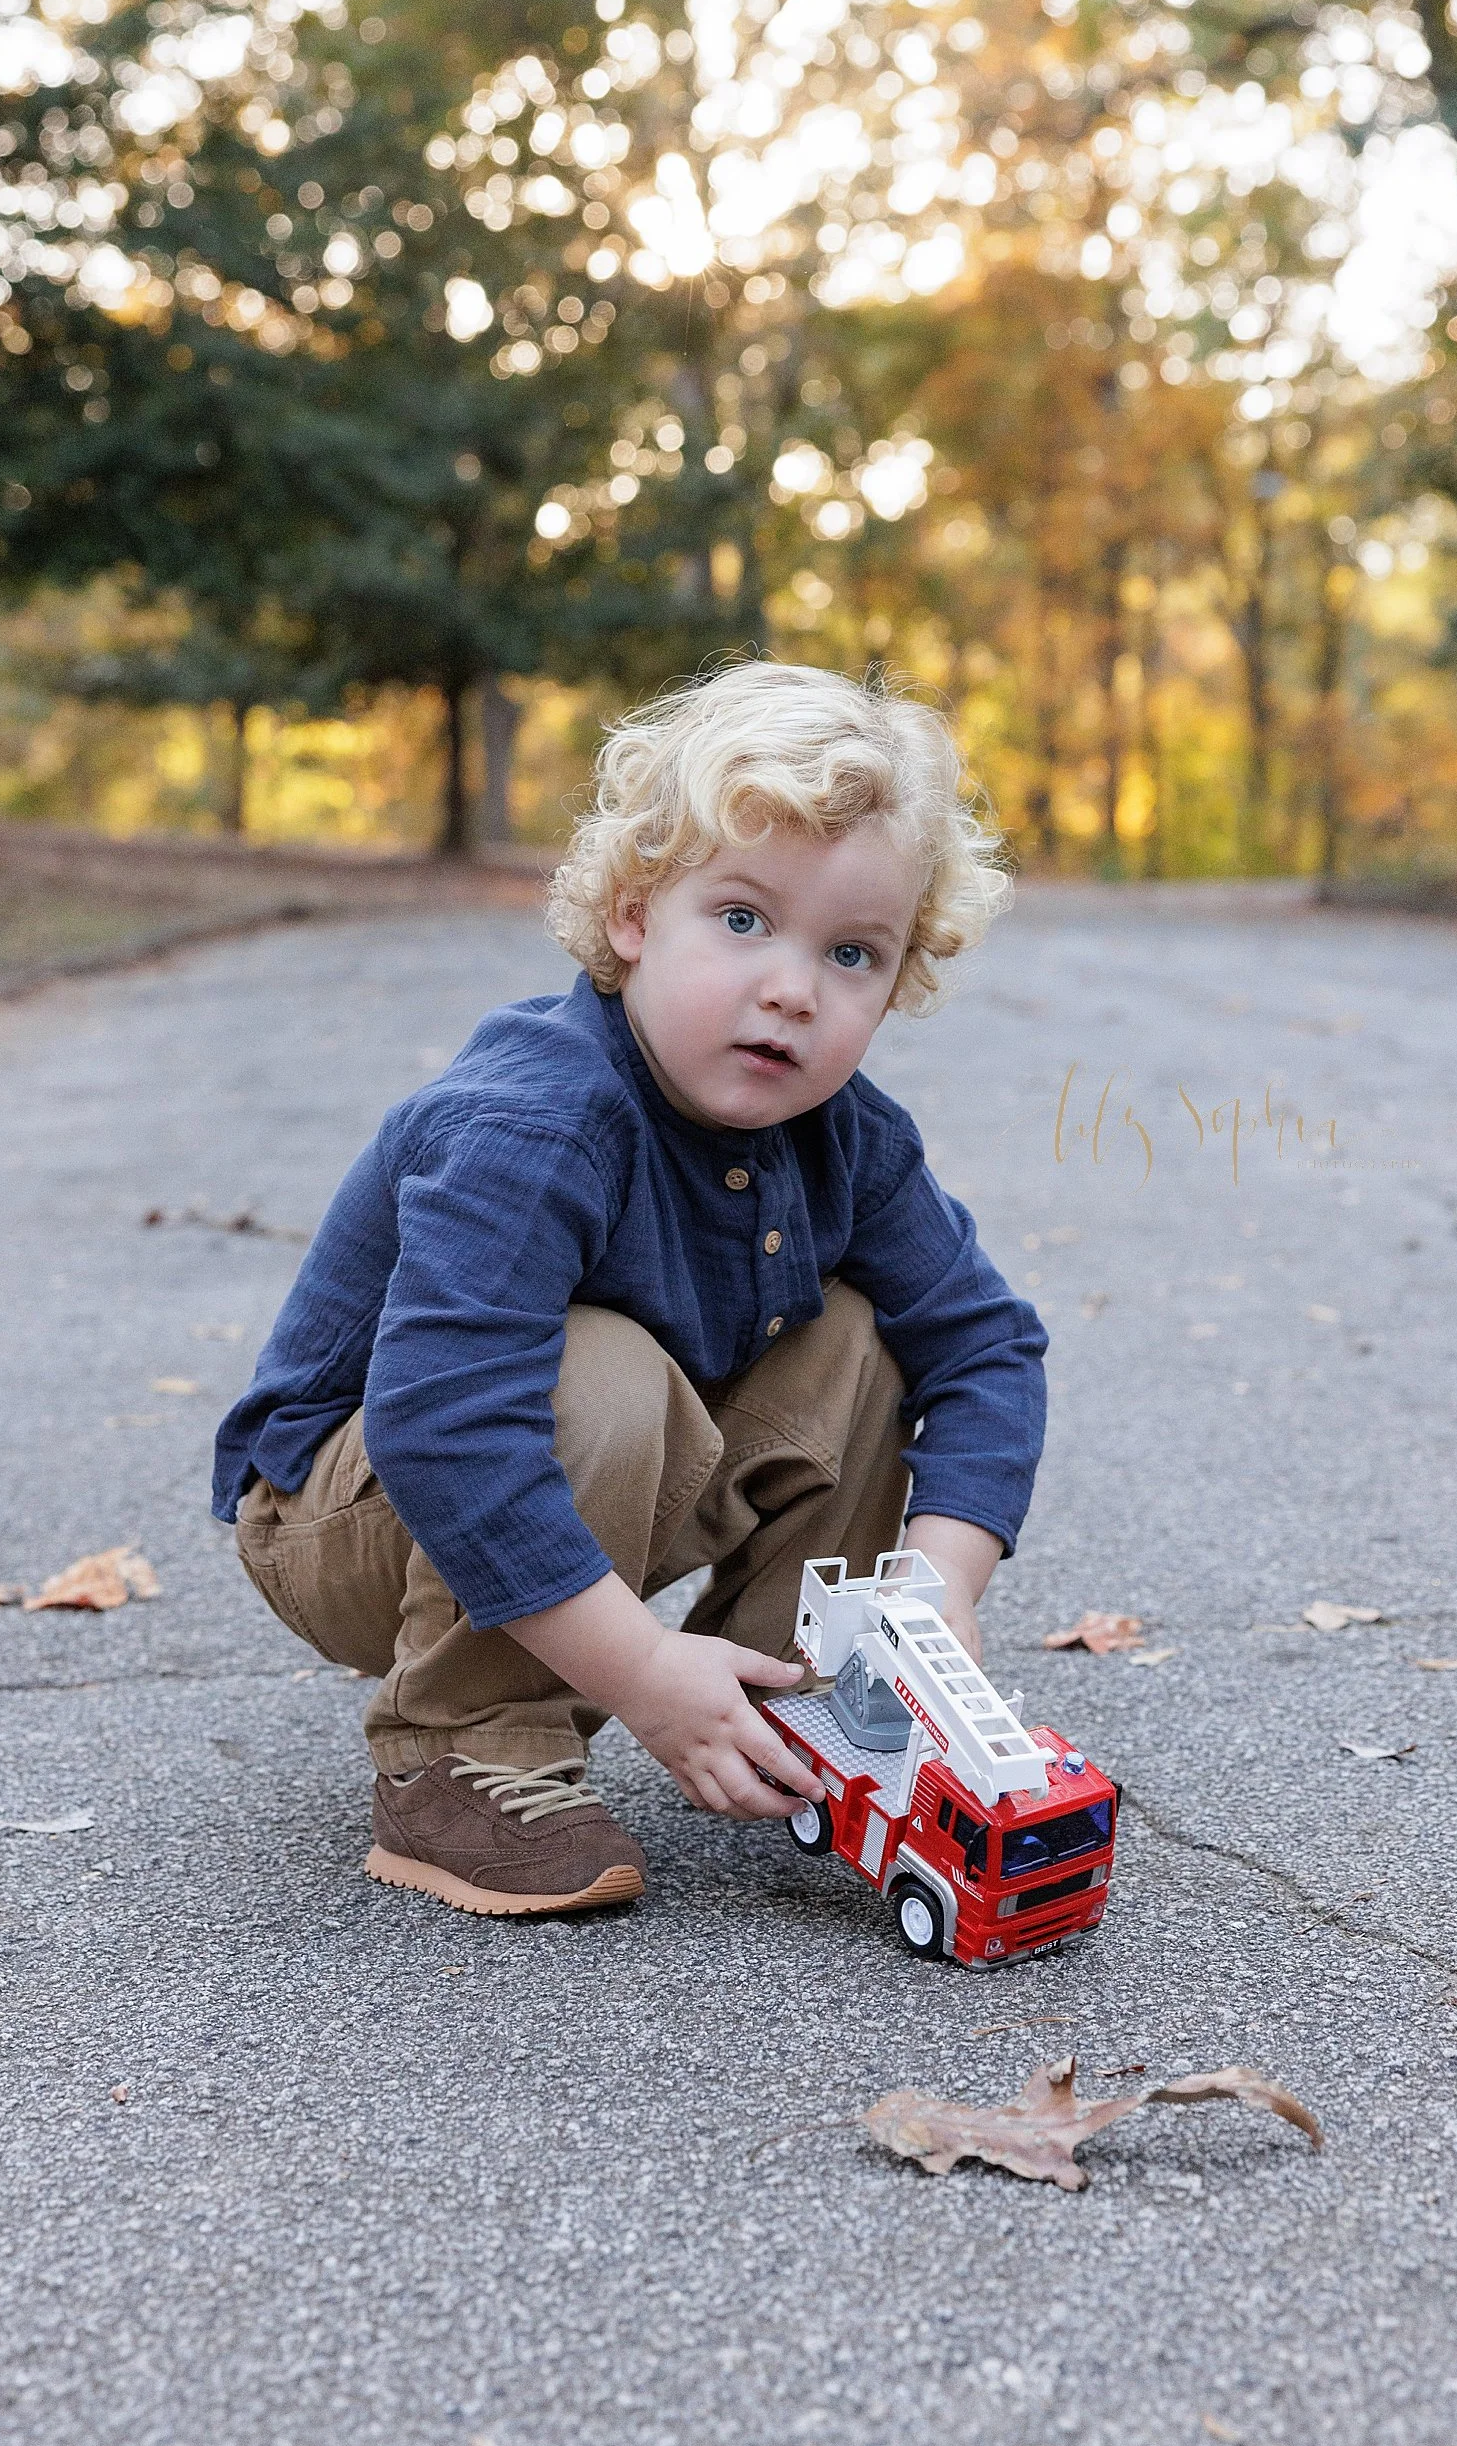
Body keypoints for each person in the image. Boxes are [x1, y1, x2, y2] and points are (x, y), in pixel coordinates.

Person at [212, 660, 1048, 1918]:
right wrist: (642, 1670)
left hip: (604, 1466)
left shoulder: (851, 1138)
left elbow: (986, 1347)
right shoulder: (536, 1119)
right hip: (355, 1510)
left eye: (852, 952)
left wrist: (937, 1584)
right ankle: (463, 1749)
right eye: (743, 918)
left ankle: (795, 1697)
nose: (791, 986)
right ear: (631, 913)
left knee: (874, 1338)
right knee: (591, 1362)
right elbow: (447, 1425)